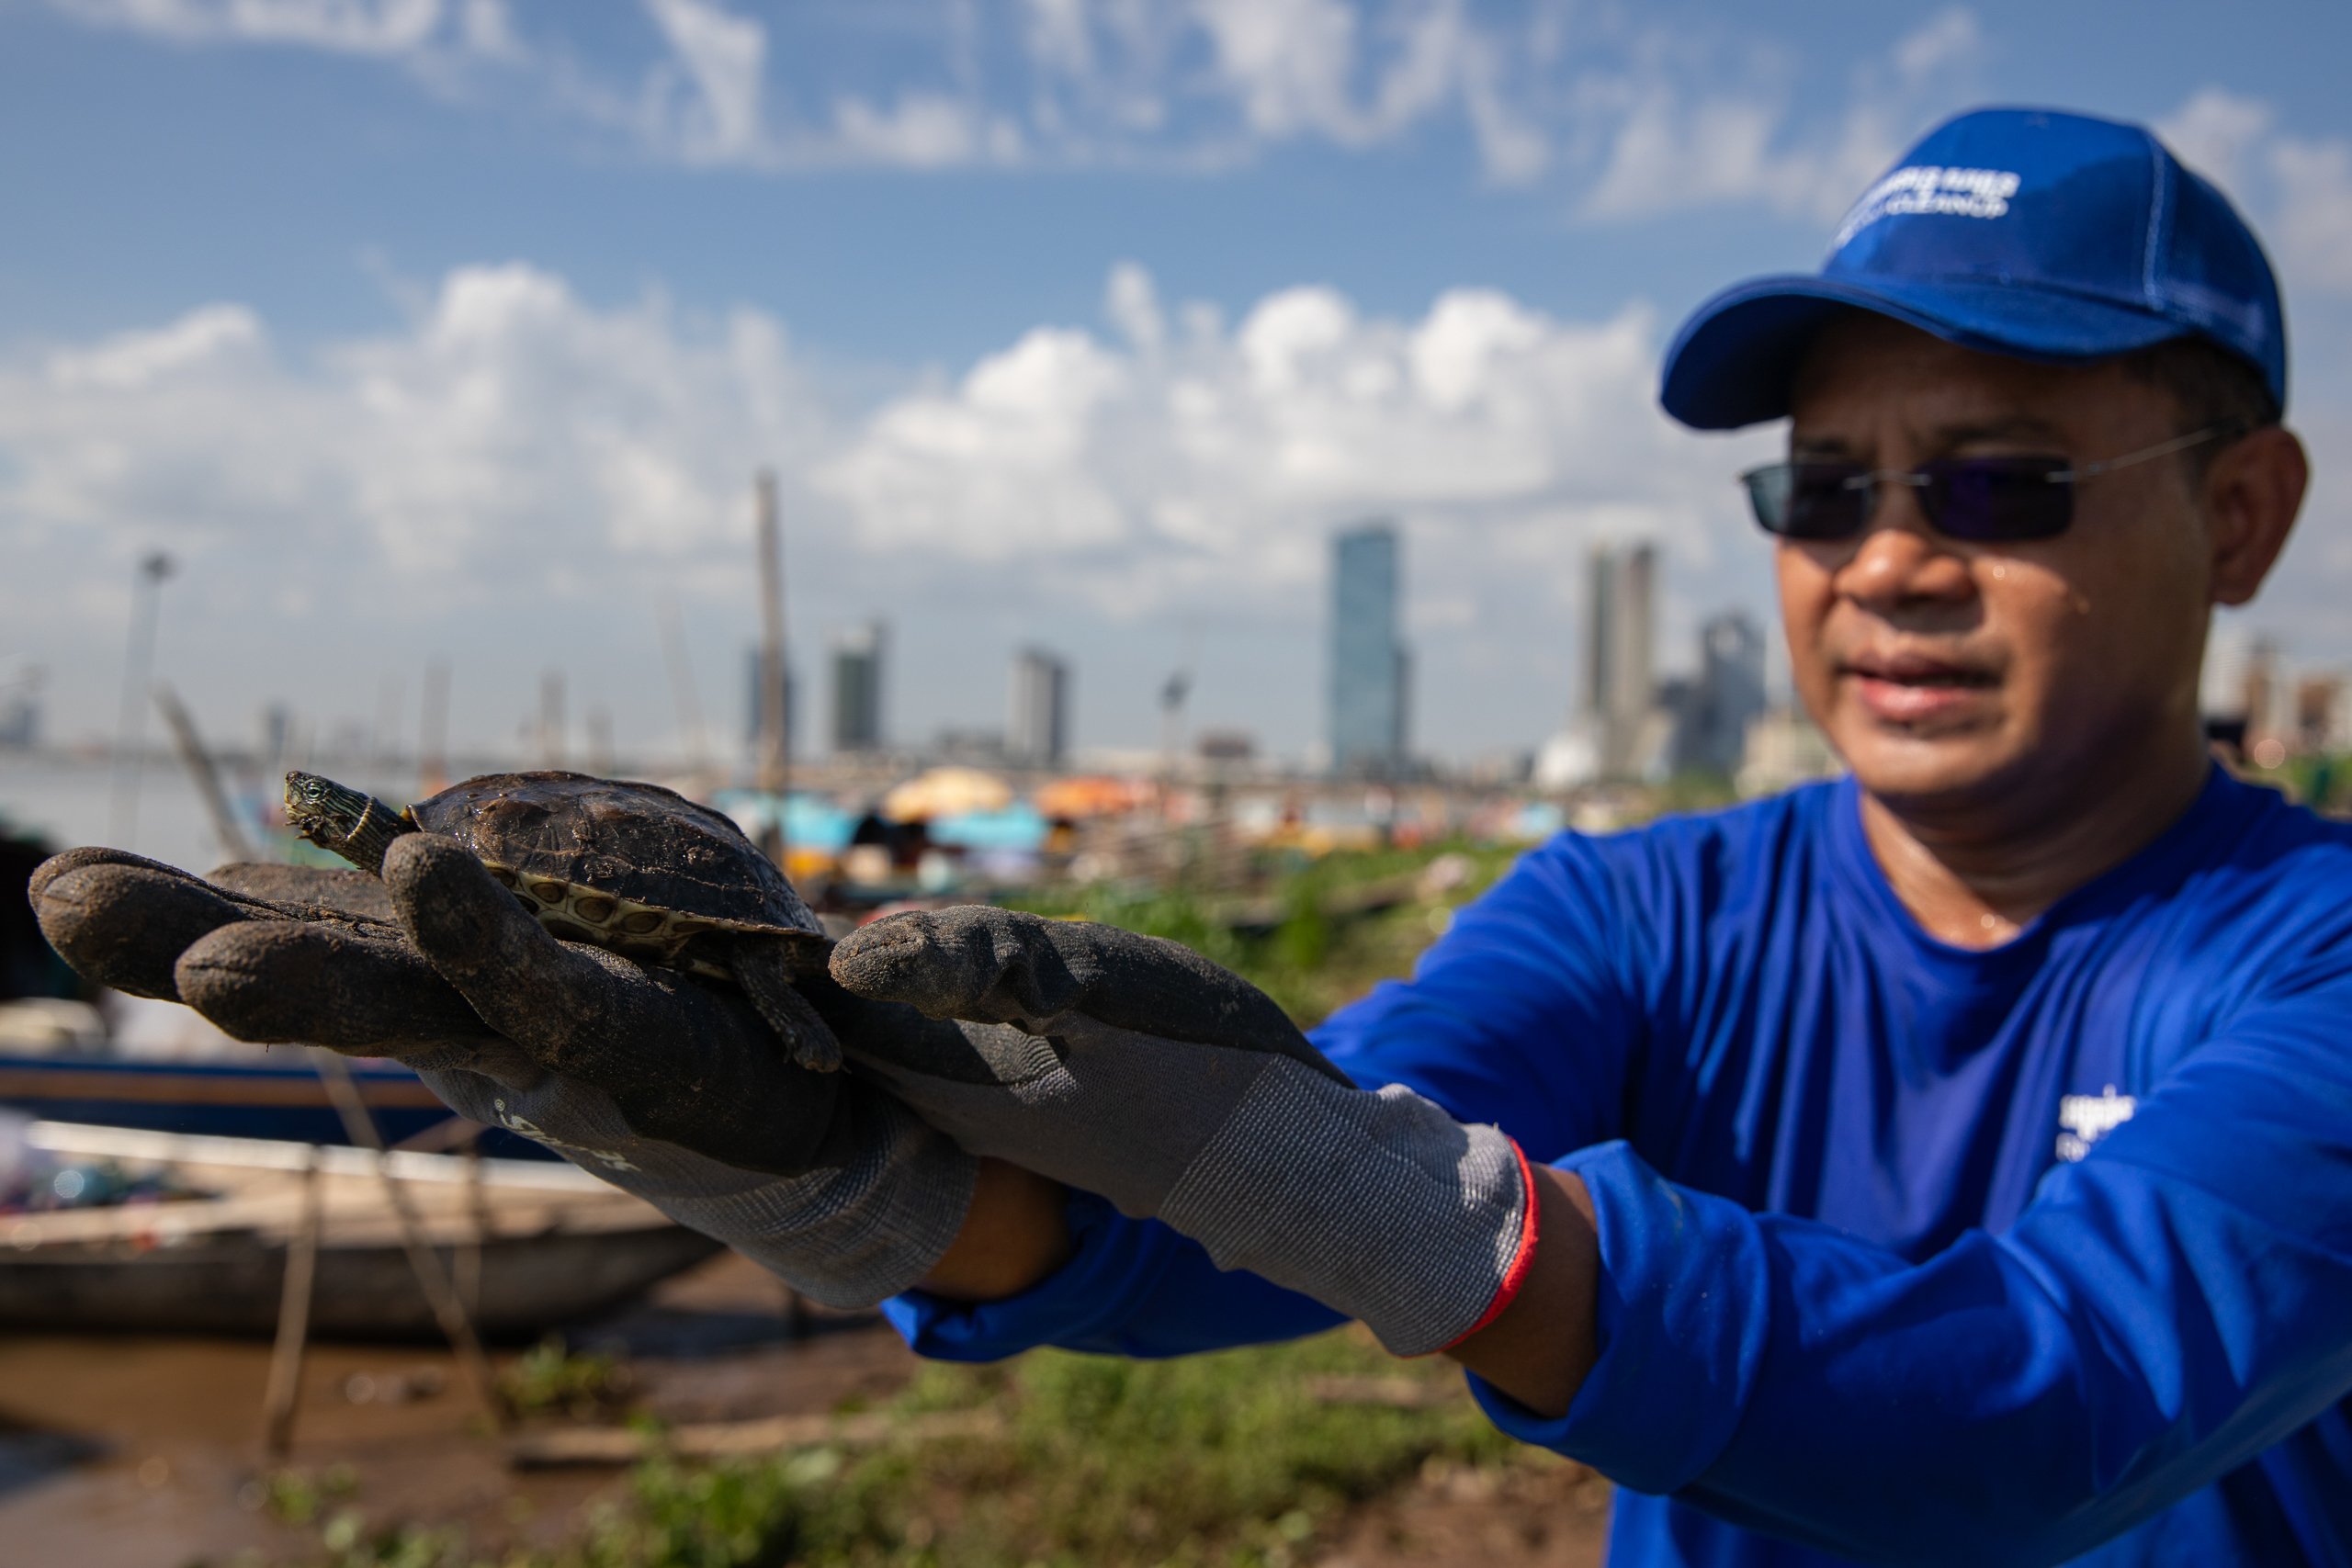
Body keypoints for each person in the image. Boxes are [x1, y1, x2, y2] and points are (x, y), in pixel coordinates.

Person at [30, 106, 2351, 1564]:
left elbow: (2046, 1404)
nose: (1885, 559)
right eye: (1818, 489)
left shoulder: (2314, 960)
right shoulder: (1634, 906)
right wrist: (849, 1184)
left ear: (2241, 517)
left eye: (1996, 484)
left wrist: (1420, 1217)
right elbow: (1227, 1204)